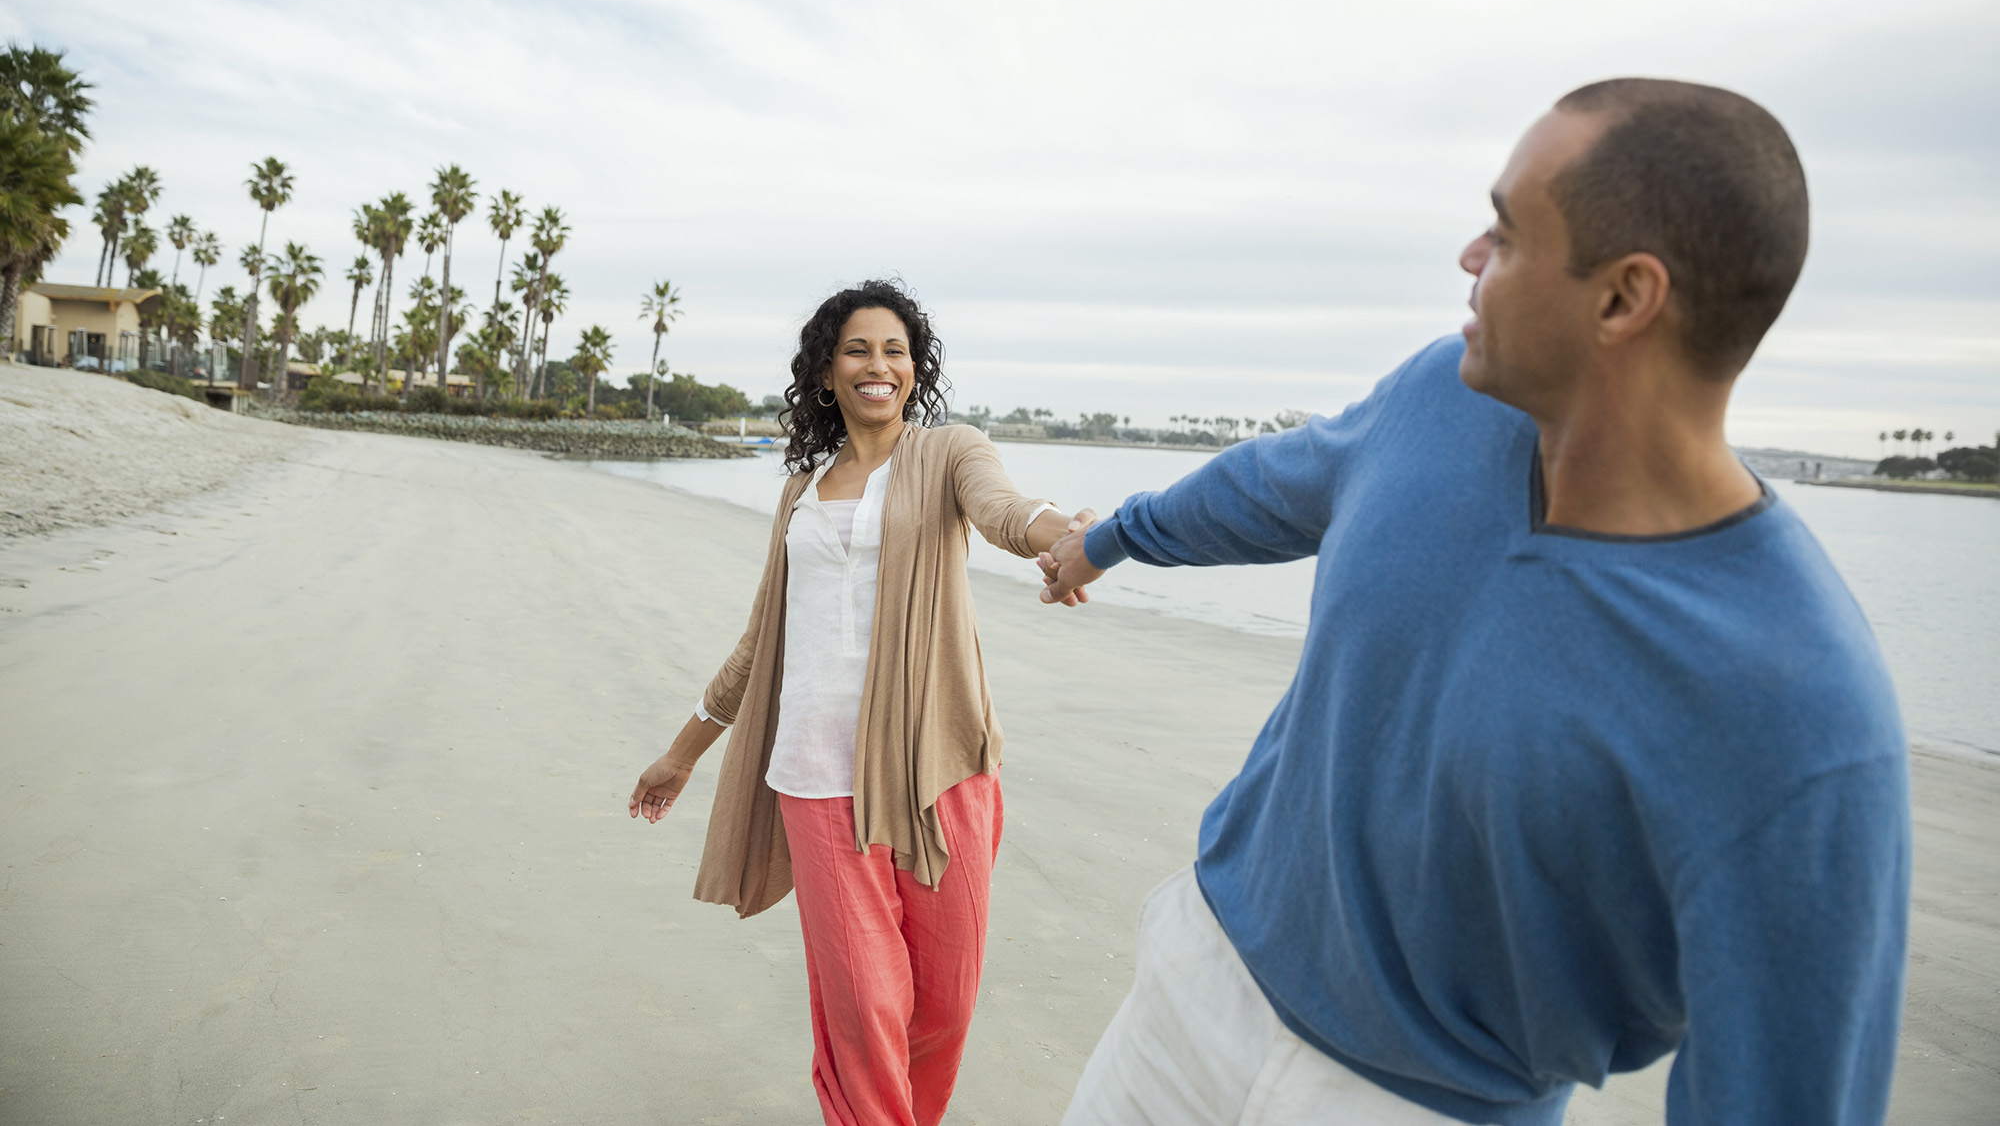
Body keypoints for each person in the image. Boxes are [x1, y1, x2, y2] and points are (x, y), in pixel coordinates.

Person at [1037, 79, 1909, 1125]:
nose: (1467, 256)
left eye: (1504, 231)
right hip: (1188, 994)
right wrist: (1106, 539)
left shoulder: (1797, 706)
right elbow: (1267, 486)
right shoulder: (1435, 397)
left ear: (1623, 298)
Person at [628, 278, 1091, 1126]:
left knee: (943, 1003)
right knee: (865, 1008)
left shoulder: (951, 452)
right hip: (815, 775)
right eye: (857, 349)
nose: (878, 364)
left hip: (938, 769)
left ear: (915, 369)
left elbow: (1004, 510)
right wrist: (681, 751)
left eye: (895, 349)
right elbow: (761, 639)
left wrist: (1066, 537)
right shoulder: (800, 492)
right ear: (827, 372)